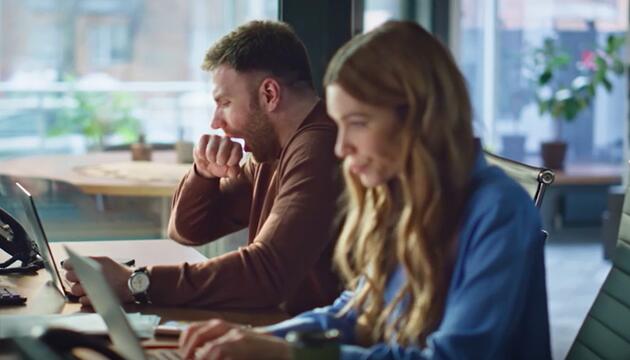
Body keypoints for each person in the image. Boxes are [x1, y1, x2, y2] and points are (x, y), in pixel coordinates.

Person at [176, 21, 551, 360]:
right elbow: (353, 311)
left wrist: (290, 355)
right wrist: (254, 341)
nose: (341, 148)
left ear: (418, 119)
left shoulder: (499, 211)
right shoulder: (397, 198)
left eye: (357, 123)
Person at [63, 20, 343, 315]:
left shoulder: (319, 148)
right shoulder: (272, 152)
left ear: (270, 94)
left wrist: (136, 282)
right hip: (281, 327)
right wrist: (203, 174)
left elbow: (266, 273)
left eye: (224, 102)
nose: (215, 122)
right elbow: (188, 230)